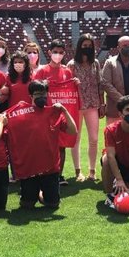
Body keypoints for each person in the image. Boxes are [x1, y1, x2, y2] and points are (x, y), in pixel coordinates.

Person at [4, 80, 77, 209]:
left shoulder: (54, 112)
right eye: (38, 94)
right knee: (27, 205)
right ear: (31, 96)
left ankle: (41, 193)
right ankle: (34, 192)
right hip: (30, 169)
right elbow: (3, 118)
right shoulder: (20, 111)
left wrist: (64, 111)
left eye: (44, 94)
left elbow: (73, 131)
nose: (42, 97)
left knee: (53, 204)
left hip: (50, 169)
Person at [34, 39, 75, 185]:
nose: (58, 54)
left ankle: (59, 175)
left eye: (61, 52)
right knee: (45, 146)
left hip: (60, 114)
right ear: (49, 52)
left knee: (61, 145)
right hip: (45, 114)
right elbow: (34, 91)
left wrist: (75, 85)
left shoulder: (67, 71)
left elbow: (71, 92)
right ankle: (43, 174)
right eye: (55, 52)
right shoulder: (42, 71)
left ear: (64, 54)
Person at [66, 34, 104, 182]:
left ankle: (92, 170)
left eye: (89, 46)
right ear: (79, 46)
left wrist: (102, 104)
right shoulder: (71, 64)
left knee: (94, 139)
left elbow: (100, 84)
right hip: (76, 106)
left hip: (93, 105)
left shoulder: (95, 63)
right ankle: (77, 171)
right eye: (84, 45)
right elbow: (68, 86)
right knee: (75, 139)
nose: (87, 48)